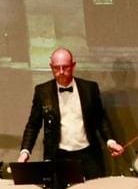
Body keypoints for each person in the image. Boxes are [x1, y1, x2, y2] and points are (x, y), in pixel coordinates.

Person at [17, 48, 125, 181]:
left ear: (73, 65)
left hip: (89, 154)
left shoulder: (90, 88)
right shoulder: (42, 91)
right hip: (59, 155)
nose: (61, 72)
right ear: (51, 67)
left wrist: (110, 141)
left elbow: (100, 118)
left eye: (65, 67)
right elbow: (33, 125)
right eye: (56, 68)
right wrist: (25, 152)